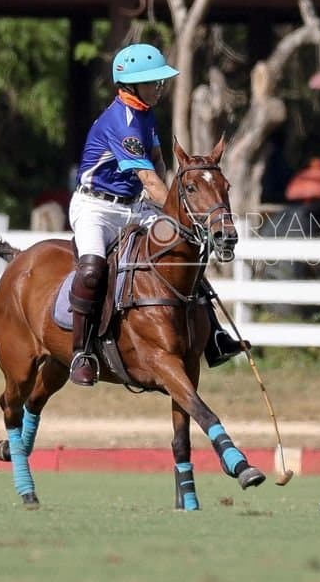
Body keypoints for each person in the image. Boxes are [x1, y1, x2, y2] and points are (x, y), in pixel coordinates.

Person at [67, 42, 247, 387]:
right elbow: (148, 179)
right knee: (91, 270)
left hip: (134, 206)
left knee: (182, 253)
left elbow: (158, 163)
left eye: (159, 81)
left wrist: (175, 214)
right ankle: (82, 352)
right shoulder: (121, 120)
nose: (159, 87)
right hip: (96, 208)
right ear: (131, 85)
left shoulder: (146, 114)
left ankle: (214, 336)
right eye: (153, 82)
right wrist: (176, 214)